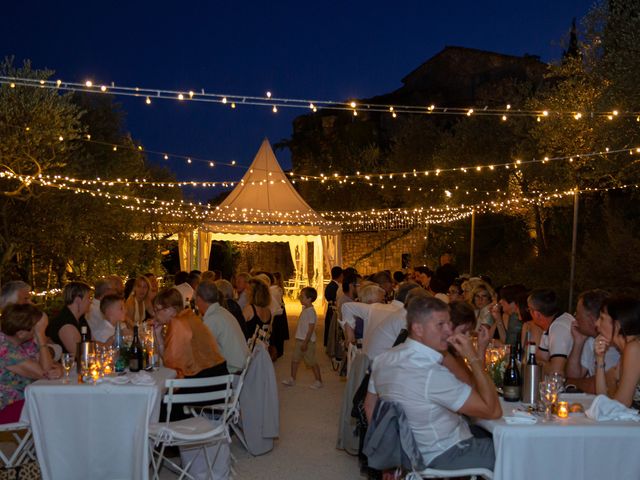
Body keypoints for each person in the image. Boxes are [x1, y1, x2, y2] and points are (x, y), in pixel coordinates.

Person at [364, 296, 500, 471]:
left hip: (411, 452)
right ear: (418, 329)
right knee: (516, 453)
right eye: (440, 325)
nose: (448, 331)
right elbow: (493, 411)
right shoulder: (431, 373)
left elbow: (369, 406)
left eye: (449, 324)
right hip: (444, 452)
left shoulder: (382, 359)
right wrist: (473, 357)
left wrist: (390, 454)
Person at [0, 304, 61, 423]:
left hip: (26, 400)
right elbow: (45, 372)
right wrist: (41, 336)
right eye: (36, 329)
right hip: (6, 406)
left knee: (59, 402)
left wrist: (58, 370)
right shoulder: (3, 348)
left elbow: (52, 365)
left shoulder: (23, 342)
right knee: (58, 405)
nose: (37, 332)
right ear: (21, 333)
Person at [152, 288, 228, 380]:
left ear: (169, 309)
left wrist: (158, 336)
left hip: (206, 381)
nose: (154, 314)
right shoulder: (189, 316)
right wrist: (158, 334)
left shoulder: (178, 324)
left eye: (157, 310)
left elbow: (171, 364)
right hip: (218, 377)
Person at [566, 289, 619, 393]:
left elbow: (598, 385)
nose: (575, 319)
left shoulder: (614, 346)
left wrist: (570, 382)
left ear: (591, 318)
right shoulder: (591, 339)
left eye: (578, 314)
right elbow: (573, 375)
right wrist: (578, 342)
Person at [594, 296, 640, 408]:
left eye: (602, 318)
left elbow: (621, 404)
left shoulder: (634, 347)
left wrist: (612, 381)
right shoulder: (625, 351)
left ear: (617, 324)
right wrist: (600, 359)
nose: (596, 324)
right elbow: (602, 399)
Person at [195, 281, 249, 374]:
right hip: (240, 365)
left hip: (232, 371)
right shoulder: (221, 311)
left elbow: (199, 350)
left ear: (199, 299)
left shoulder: (213, 319)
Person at [282, 287, 322, 389]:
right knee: (295, 359)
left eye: (302, 296)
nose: (300, 297)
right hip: (300, 340)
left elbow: (311, 329)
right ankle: (292, 378)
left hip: (307, 342)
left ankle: (319, 380)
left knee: (312, 361)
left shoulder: (311, 312)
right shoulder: (305, 309)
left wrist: (305, 342)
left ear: (309, 299)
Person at [529, 289, 575, 375]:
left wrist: (543, 365)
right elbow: (539, 358)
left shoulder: (559, 327)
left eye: (529, 310)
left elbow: (556, 372)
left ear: (537, 314)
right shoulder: (552, 324)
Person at [46, 281, 92, 354]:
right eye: (88, 298)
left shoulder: (80, 319)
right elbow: (80, 354)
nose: (90, 302)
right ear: (78, 300)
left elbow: (90, 342)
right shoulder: (65, 323)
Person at [324, 266, 343, 347]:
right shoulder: (334, 286)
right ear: (340, 275)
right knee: (331, 328)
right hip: (332, 309)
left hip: (331, 308)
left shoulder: (331, 285)